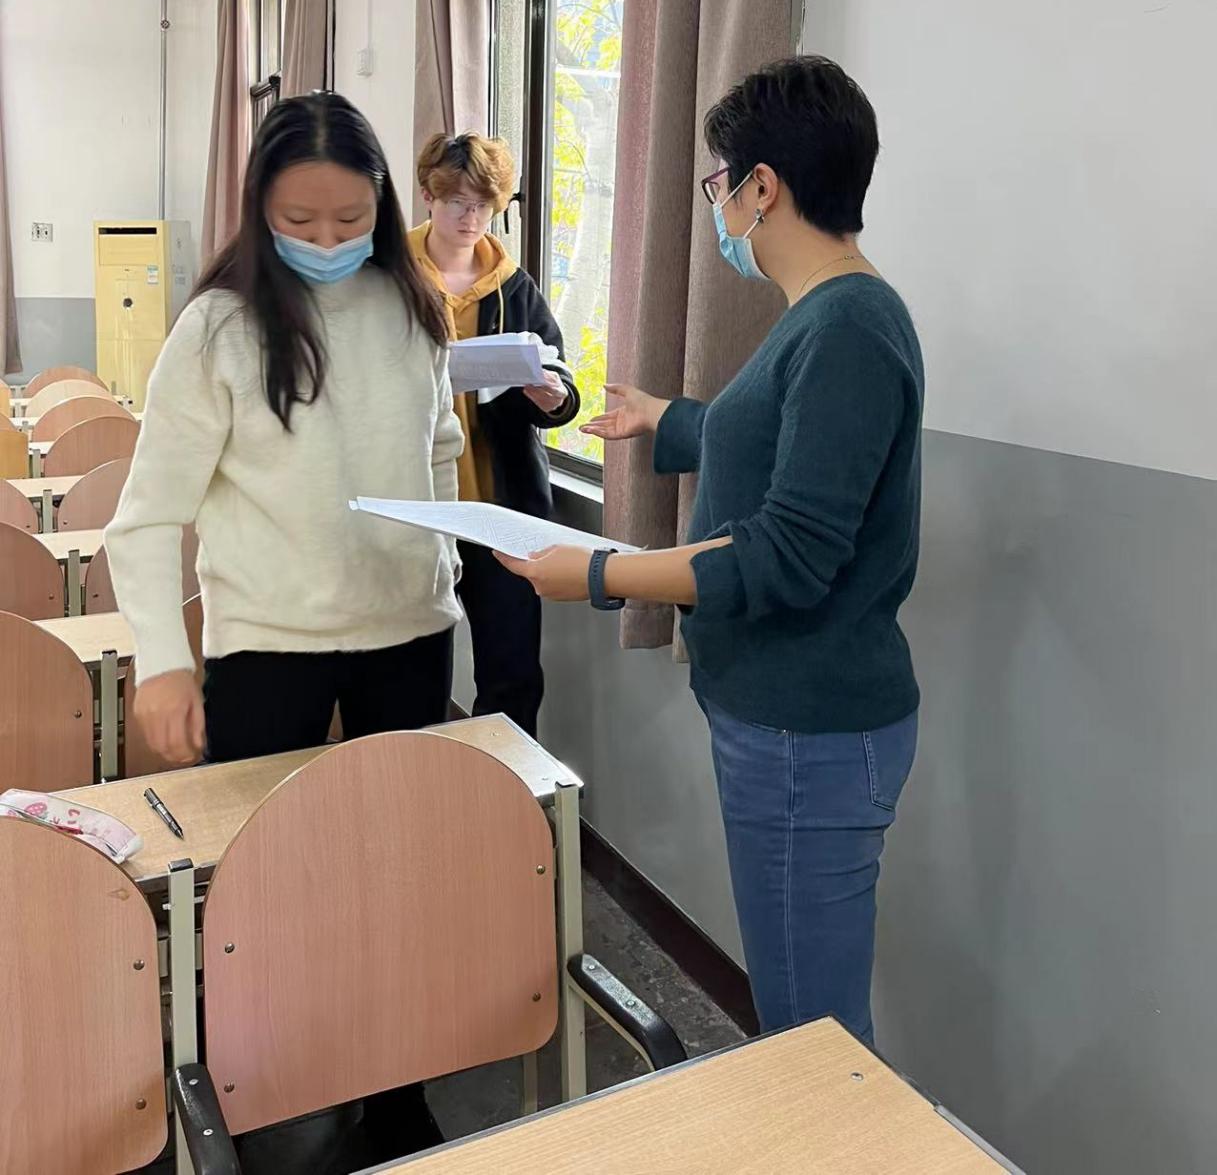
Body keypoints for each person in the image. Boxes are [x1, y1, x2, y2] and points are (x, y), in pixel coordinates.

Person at [498, 56, 922, 1047]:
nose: (719, 207)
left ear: (761, 186)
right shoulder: (823, 316)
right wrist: (667, 419)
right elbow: (776, 440)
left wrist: (597, 572)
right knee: (800, 1009)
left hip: (807, 731)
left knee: (810, 1033)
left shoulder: (848, 325)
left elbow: (785, 554)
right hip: (783, 721)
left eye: (719, 182)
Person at [107, 91, 462, 1157]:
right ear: (258, 206)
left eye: (349, 219)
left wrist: (446, 561)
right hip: (267, 648)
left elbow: (439, 452)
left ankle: (394, 1084)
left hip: (407, 634)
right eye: (298, 220)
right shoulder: (219, 328)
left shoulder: (411, 308)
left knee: (402, 874)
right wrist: (163, 663)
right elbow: (146, 516)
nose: (325, 240)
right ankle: (260, 1082)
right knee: (264, 889)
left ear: (381, 203)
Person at [410, 133, 579, 737]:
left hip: (500, 506)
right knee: (410, 674)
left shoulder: (514, 286)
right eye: (458, 202)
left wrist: (555, 397)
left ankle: (505, 787)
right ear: (428, 196)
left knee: (511, 671)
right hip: (417, 505)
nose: (471, 218)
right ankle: (409, 783)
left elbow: (559, 381)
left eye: (484, 205)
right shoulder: (388, 276)